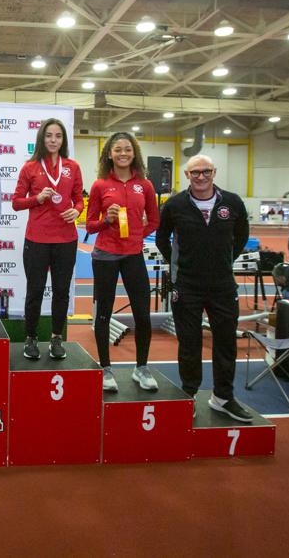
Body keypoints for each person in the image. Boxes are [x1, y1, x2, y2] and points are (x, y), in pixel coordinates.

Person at [156, 154, 252, 423]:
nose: (201, 176)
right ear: (187, 175)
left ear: (214, 172)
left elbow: (241, 236)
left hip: (223, 286)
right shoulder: (175, 204)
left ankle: (223, 397)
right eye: (195, 172)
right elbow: (163, 239)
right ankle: (188, 394)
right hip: (187, 286)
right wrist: (184, 263)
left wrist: (223, 261)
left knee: (225, 342)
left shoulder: (232, 202)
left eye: (206, 171)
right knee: (189, 343)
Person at [85, 132, 160, 392]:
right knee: (103, 313)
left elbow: (154, 220)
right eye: (118, 150)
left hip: (133, 256)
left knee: (142, 313)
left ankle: (142, 367)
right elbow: (90, 225)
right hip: (105, 255)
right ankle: (106, 368)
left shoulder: (146, 185)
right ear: (109, 154)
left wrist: (138, 236)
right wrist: (106, 220)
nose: (123, 154)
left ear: (134, 153)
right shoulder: (99, 186)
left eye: (127, 149)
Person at [11, 118, 84, 361]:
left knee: (61, 291)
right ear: (41, 138)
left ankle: (56, 338)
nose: (53, 140)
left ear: (63, 140)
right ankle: (30, 338)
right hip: (37, 239)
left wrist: (78, 210)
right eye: (49, 135)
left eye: (58, 136)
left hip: (66, 238)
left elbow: (79, 199)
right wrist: (38, 198)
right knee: (35, 290)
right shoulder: (30, 167)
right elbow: (16, 203)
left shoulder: (72, 167)